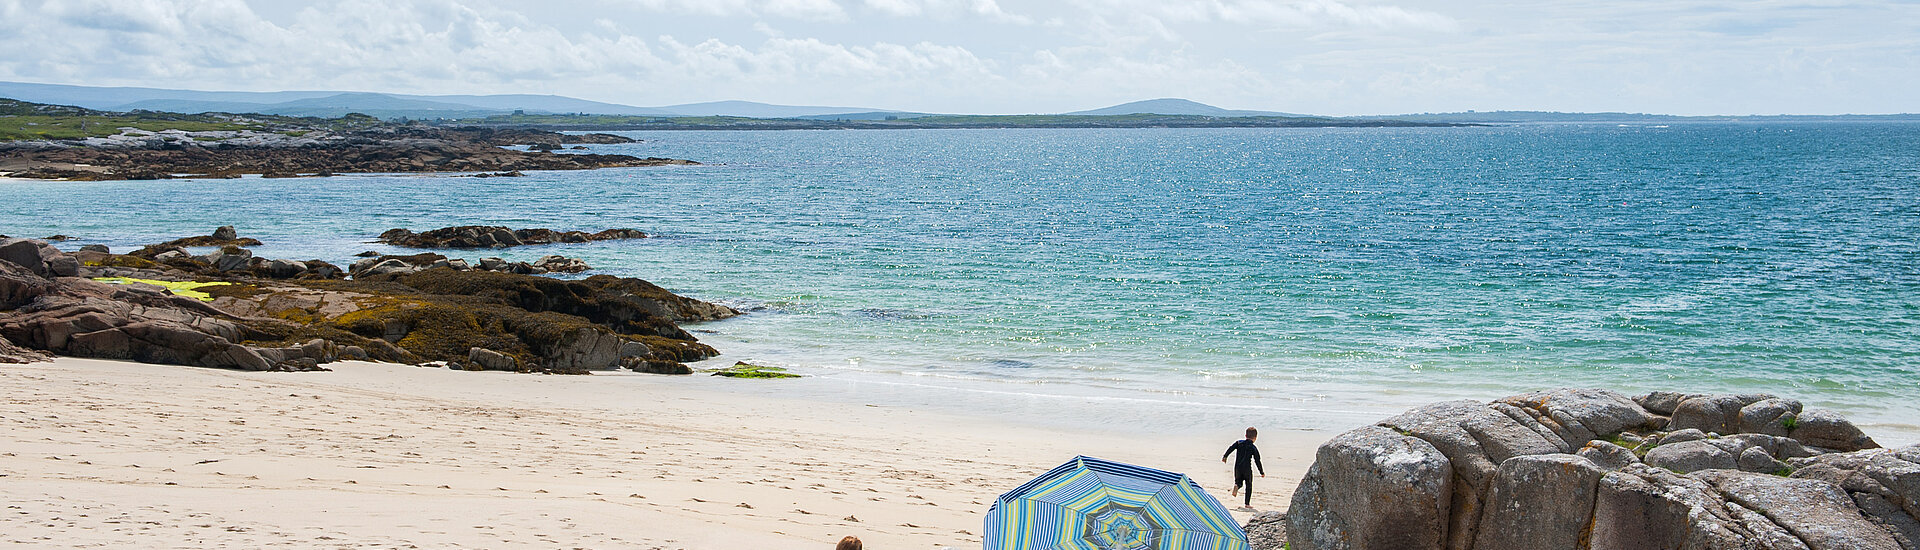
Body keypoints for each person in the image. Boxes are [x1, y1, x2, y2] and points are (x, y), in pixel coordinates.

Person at [1221, 427, 1264, 509]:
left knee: (1238, 481)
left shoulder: (1239, 443)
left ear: (1245, 435)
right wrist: (1261, 472)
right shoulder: (1253, 448)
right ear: (1255, 438)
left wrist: (1225, 456)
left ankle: (1237, 485)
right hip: (1247, 469)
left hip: (1237, 468)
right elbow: (1257, 460)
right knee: (1249, 485)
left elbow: (1230, 448)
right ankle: (1247, 504)